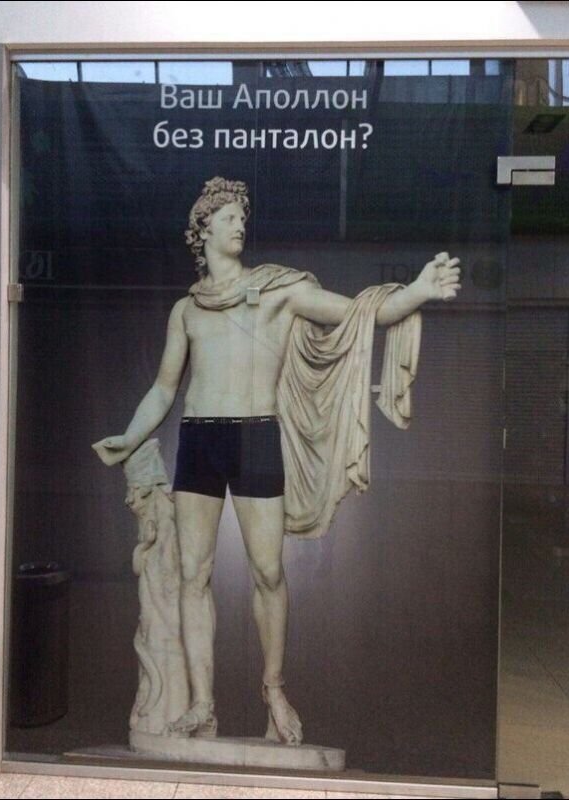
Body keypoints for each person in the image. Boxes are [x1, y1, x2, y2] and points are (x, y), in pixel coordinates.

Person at [93, 177, 461, 746]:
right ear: (203, 228)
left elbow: (360, 313)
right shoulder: (186, 310)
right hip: (199, 439)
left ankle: (274, 689)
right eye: (229, 216)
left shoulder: (278, 291)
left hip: (255, 437)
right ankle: (201, 703)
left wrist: (417, 291)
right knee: (193, 574)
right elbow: (164, 389)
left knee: (268, 572)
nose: (241, 224)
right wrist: (130, 435)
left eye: (243, 216)